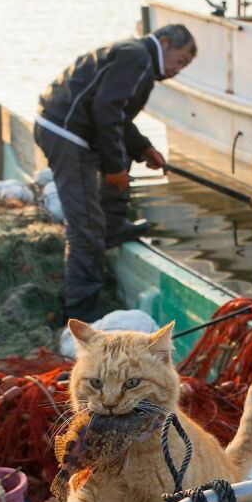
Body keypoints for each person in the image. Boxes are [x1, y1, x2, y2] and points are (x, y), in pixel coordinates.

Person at [34, 24, 197, 322]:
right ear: (164, 42)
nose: (178, 70)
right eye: (180, 61)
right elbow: (106, 111)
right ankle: (81, 311)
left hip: (68, 129)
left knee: (117, 163)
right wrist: (114, 168)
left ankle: (113, 224)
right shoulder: (137, 59)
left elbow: (118, 117)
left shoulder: (135, 55)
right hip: (67, 135)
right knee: (85, 226)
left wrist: (144, 149)